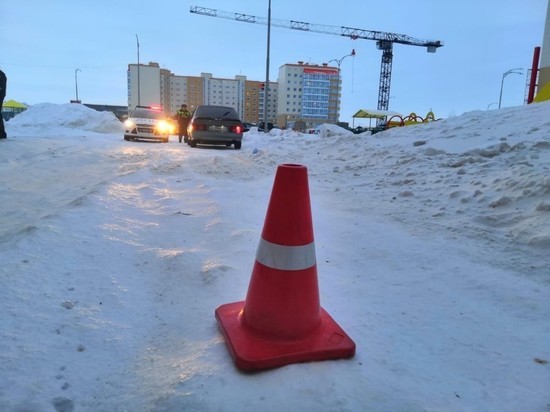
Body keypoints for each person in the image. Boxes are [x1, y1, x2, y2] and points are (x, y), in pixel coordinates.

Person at [0, 69, 7, 139]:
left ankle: (2, 134)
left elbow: (1, 88)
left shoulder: (1, 75)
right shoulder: (2, 74)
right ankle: (2, 134)